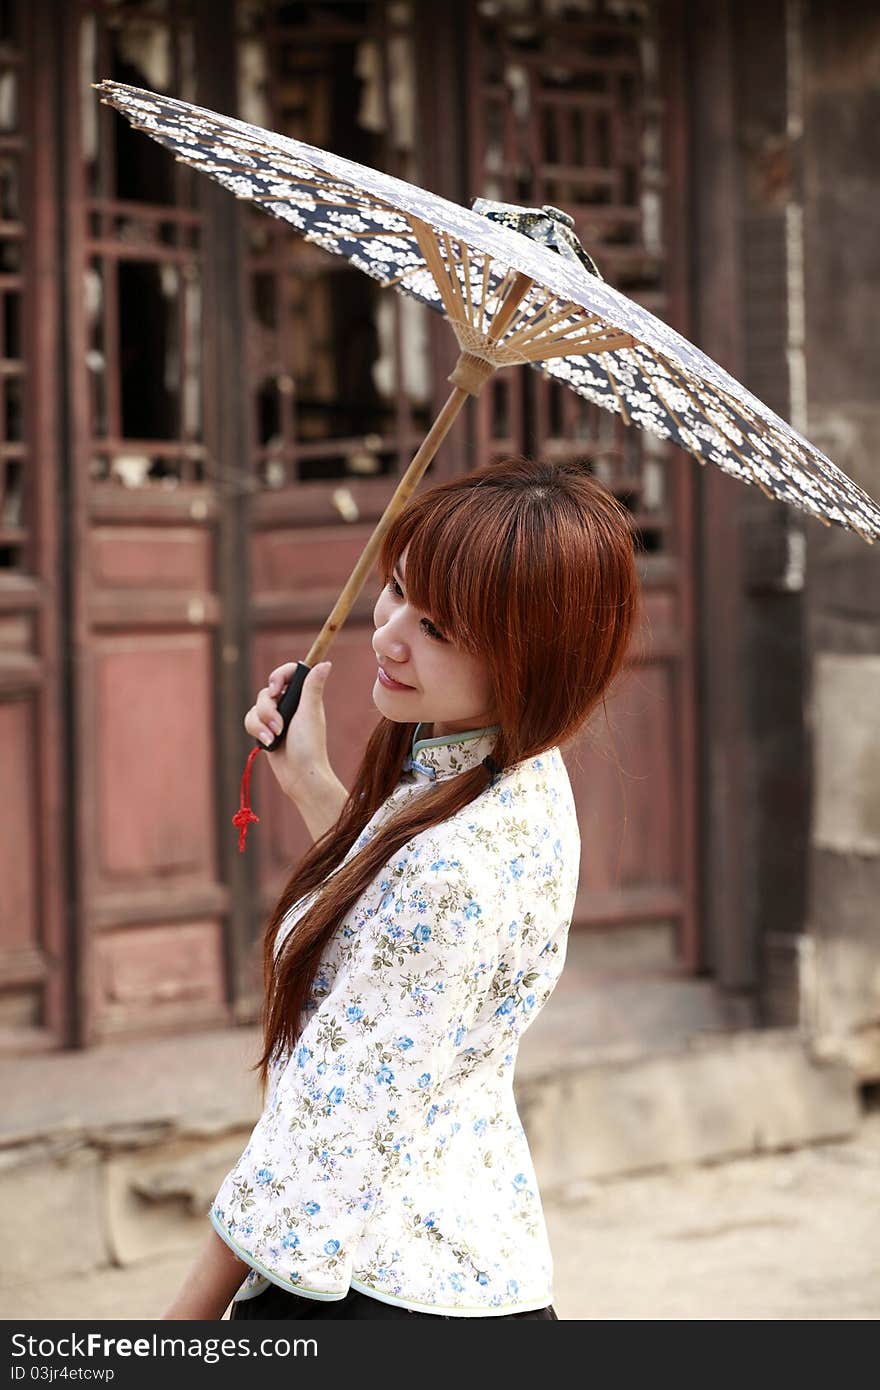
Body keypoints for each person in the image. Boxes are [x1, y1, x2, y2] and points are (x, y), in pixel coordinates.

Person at [162, 456, 640, 1320]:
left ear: (531, 659)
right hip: (478, 1266)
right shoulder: (521, 774)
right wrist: (310, 779)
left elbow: (326, 1135)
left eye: (440, 630)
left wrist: (178, 1331)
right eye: (396, 592)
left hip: (378, 1290)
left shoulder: (453, 865)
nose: (387, 636)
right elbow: (392, 921)